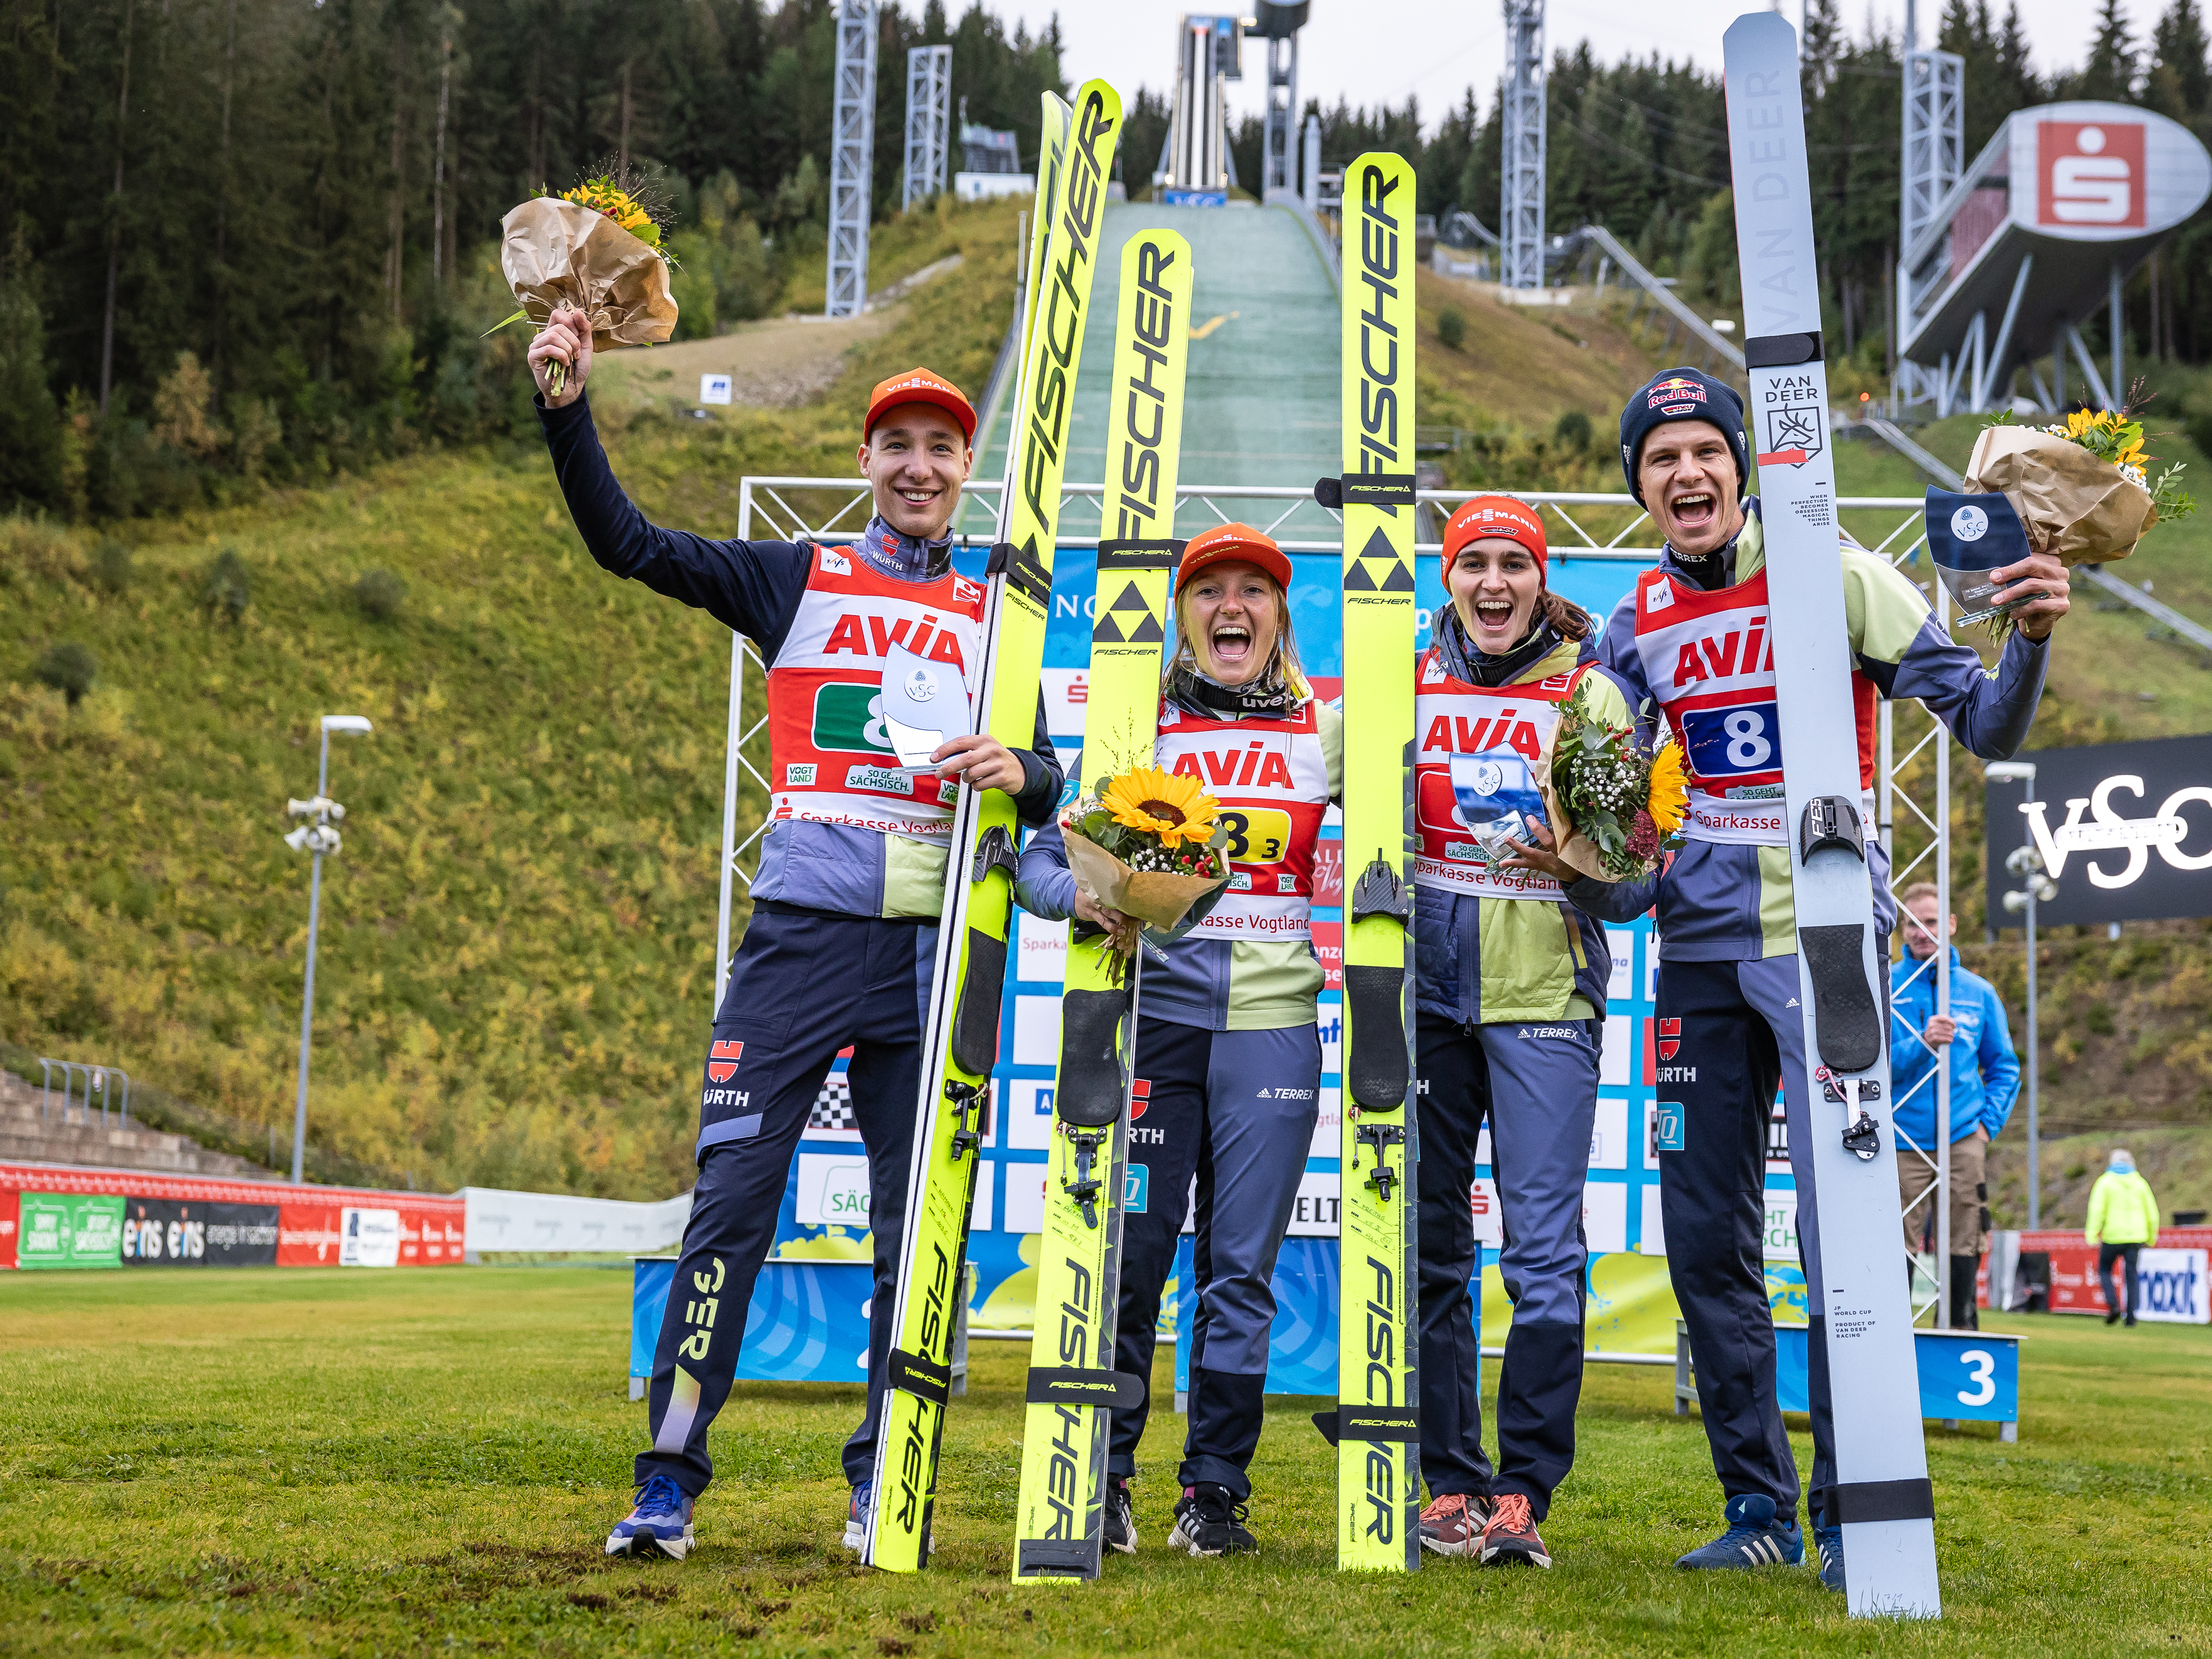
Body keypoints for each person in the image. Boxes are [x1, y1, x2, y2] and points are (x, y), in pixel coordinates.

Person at [523, 307, 1065, 1561]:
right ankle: (666, 1481)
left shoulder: (1003, 609)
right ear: (865, 460)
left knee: (915, 1234)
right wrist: (566, 408)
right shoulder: (797, 574)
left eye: (941, 447)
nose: (919, 466)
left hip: (932, 956)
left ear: (965, 466)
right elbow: (626, 545)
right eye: (898, 446)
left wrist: (1026, 770)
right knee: (730, 1207)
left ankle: (883, 1483)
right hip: (800, 944)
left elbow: (1045, 778)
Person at [1587, 366, 2068, 1593]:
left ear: (1741, 465)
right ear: (1639, 485)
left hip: (1827, 943)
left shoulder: (1837, 572)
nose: (1686, 473)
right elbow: (1607, 831)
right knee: (1704, 1241)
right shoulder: (1631, 624)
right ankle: (1758, 1510)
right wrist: (1597, 866)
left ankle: (1861, 1509)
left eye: (1705, 450)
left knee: (1845, 1234)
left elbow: (1990, 728)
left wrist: (2030, 637)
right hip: (1698, 956)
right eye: (1660, 458)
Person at [1016, 524, 1339, 1560]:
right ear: (1183, 616)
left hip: (1274, 1031)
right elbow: (1035, 860)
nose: (1231, 607)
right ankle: (1105, 1479)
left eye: (1255, 590)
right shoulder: (1134, 731)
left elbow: (1414, 816)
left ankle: (1215, 1494)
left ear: (1280, 616)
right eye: (1209, 591)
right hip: (1154, 1025)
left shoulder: (1326, 731)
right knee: (1132, 1260)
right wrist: (1079, 897)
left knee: (1241, 1273)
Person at [1406, 496, 1655, 1572]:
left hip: (1546, 997)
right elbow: (1308, 781)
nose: (1495, 583)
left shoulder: (1590, 691)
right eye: (1475, 564)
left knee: (1545, 1255)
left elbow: (1634, 886)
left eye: (1514, 563)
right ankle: (1450, 1485)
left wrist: (1584, 867)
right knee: (1431, 1249)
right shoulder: (1407, 679)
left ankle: (1522, 1494)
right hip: (1425, 1000)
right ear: (1450, 578)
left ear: (1539, 577)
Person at [1887, 881, 2021, 1331]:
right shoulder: (1885, 986)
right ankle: (1892, 1337)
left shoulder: (1978, 992)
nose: (1921, 931)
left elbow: (2004, 1067)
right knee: (1895, 1239)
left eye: (1930, 921)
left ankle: (1958, 1330)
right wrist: (1922, 1044)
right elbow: (1869, 1065)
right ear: (1901, 929)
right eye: (1911, 923)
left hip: (1963, 1138)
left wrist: (1985, 1127)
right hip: (1902, 1138)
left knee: (1964, 1237)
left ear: (1951, 925)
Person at [2086, 1148, 2161, 1326]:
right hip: (2136, 1237)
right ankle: (2131, 1317)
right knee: (2131, 1275)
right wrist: (2152, 1238)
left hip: (2112, 1236)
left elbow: (2097, 1210)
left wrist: (2092, 1234)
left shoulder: (2105, 1183)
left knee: (2104, 1270)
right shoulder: (2141, 1184)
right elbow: (2152, 1214)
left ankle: (2113, 1305)